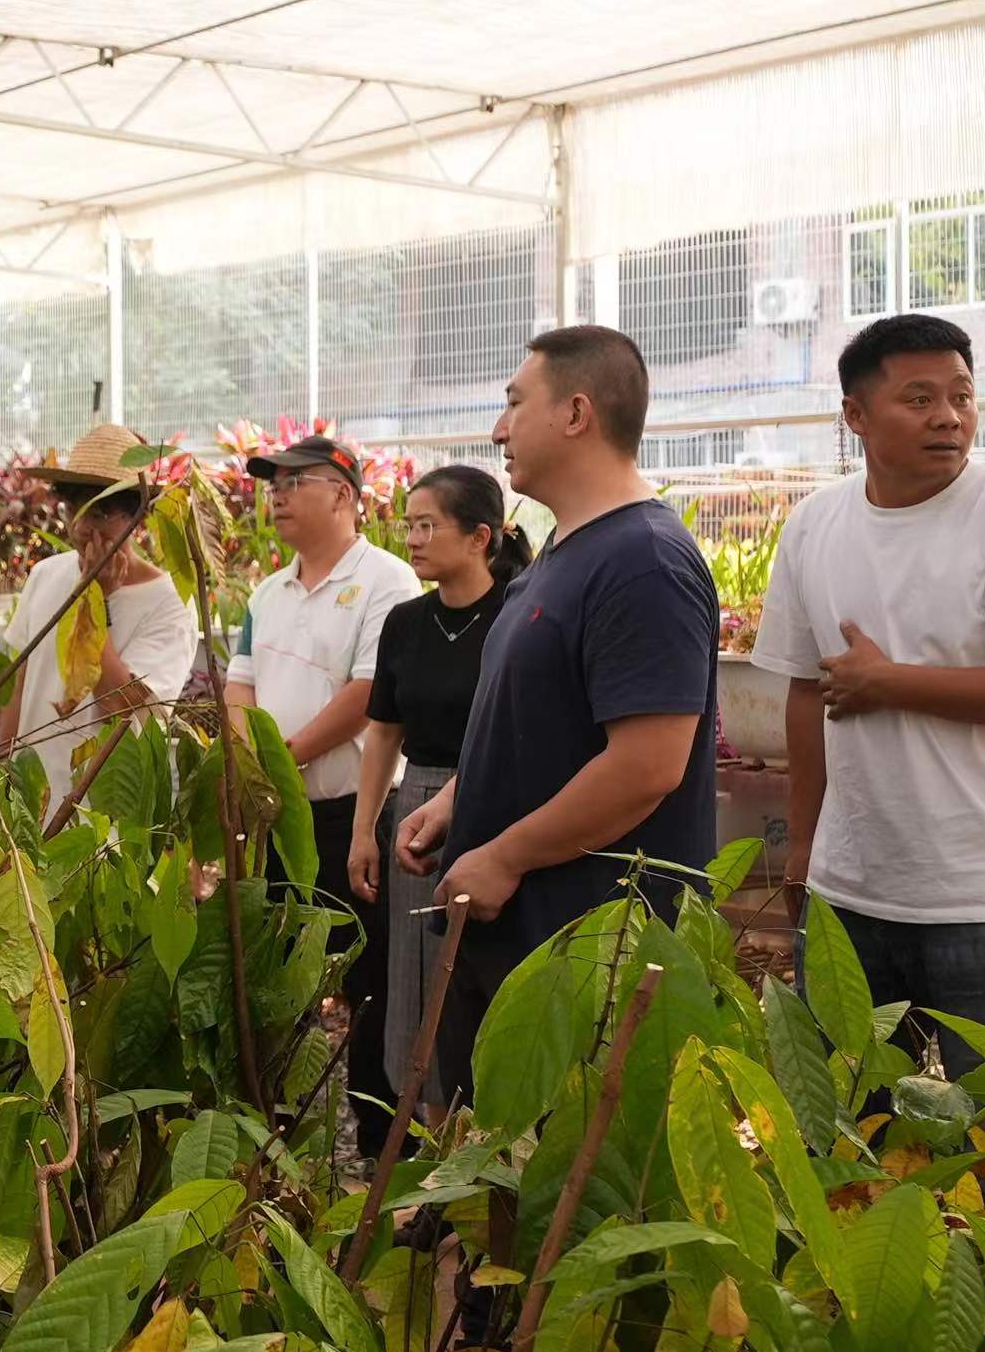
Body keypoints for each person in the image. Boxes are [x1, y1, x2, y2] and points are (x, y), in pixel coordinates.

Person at [751, 313, 985, 1231]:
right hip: (852, 895)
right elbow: (804, 695)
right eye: (919, 398)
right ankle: (864, 1304)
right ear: (856, 416)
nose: (949, 416)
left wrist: (891, 682)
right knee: (848, 1140)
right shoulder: (817, 526)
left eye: (961, 396)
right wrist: (804, 852)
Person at [396, 327, 719, 1101]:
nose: (498, 428)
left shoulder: (643, 560)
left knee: (563, 1153)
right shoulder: (564, 552)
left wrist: (506, 856)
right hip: (518, 935)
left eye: (514, 403)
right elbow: (540, 716)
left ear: (576, 413)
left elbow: (646, 765)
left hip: (584, 949)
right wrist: (457, 798)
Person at [223, 433, 421, 1155]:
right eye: (272, 485)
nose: (276, 497)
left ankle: (378, 1144)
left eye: (293, 483)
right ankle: (277, 1143)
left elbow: (370, 695)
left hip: (351, 818)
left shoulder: (387, 582)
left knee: (369, 981)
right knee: (277, 977)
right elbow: (239, 685)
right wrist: (252, 766)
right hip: (277, 817)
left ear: (343, 494)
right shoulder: (267, 593)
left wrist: (276, 762)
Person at [349, 464, 530, 1122]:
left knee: (485, 973)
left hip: (499, 800)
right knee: (415, 975)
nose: (414, 540)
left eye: (428, 526)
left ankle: (496, 1124)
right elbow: (384, 731)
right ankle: (426, 1138)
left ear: (480, 536)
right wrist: (364, 830)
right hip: (416, 808)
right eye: (410, 526)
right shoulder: (406, 622)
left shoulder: (517, 613)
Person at [0, 424, 197, 817]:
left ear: (138, 518)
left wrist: (96, 600)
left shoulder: (169, 605)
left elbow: (120, 708)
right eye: (74, 510)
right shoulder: (46, 575)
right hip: (28, 802)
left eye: (100, 512)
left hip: (100, 814)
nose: (82, 527)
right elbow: (23, 685)